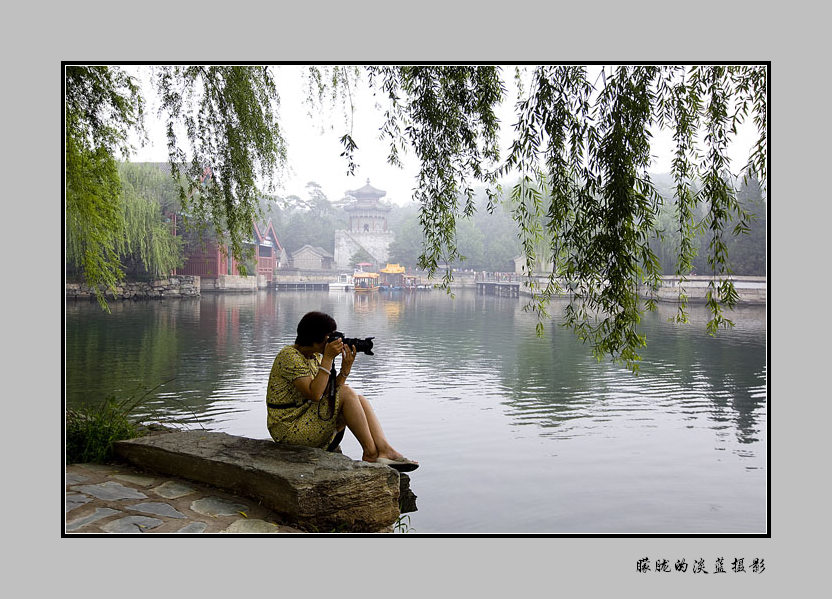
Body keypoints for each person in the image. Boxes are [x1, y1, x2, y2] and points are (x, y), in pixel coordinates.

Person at [266, 311, 418, 472]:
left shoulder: (315, 356)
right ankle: (371, 454)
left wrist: (345, 370)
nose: (332, 341)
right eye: (328, 337)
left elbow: (329, 393)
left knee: (359, 399)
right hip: (289, 429)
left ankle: (385, 449)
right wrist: (328, 358)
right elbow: (315, 394)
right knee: (347, 393)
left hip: (306, 419)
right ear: (316, 338)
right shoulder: (289, 356)